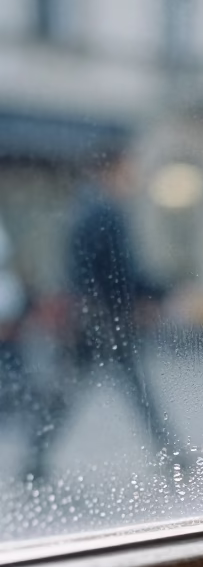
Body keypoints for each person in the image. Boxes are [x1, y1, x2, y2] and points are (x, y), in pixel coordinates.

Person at [25, 142, 184, 480]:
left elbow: (90, 271)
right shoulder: (106, 211)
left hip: (88, 318)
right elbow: (120, 270)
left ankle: (34, 459)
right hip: (105, 320)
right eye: (128, 169)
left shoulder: (83, 207)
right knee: (135, 391)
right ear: (111, 170)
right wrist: (159, 291)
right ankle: (173, 454)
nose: (132, 177)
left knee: (71, 392)